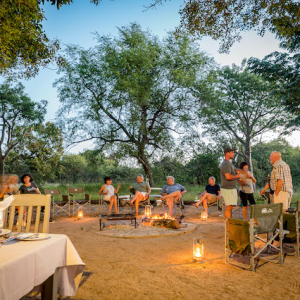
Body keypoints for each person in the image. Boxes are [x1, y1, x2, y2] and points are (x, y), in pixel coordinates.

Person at [220, 148, 241, 219]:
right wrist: (237, 176)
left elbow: (235, 172)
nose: (234, 154)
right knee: (228, 207)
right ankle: (228, 227)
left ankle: (229, 224)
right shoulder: (226, 164)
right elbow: (228, 177)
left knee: (230, 207)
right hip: (228, 189)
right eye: (232, 152)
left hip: (231, 188)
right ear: (227, 153)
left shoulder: (229, 163)